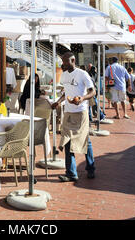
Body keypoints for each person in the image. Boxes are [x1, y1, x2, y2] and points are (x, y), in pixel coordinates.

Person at [52, 52, 96, 181]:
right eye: (62, 61)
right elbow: (66, 92)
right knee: (67, 141)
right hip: (68, 112)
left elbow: (92, 91)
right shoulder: (64, 75)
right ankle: (71, 173)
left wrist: (82, 98)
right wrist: (58, 102)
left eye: (65, 62)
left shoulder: (82, 74)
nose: (63, 64)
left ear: (73, 60)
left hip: (81, 112)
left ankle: (91, 168)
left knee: (85, 141)